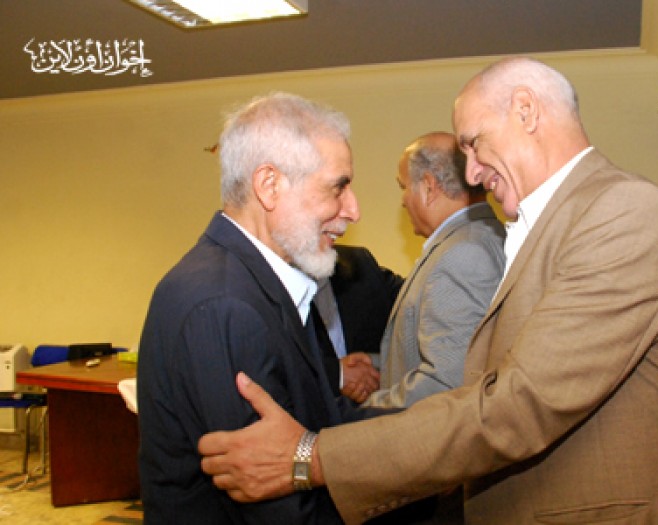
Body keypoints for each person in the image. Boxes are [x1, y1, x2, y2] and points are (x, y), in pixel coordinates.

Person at [198, 57, 658, 524]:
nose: (472, 173)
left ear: (526, 111)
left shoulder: (623, 213)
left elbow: (518, 406)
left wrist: (314, 455)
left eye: (474, 144)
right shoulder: (547, 224)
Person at [137, 92, 390, 524]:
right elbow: (275, 506)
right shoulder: (225, 305)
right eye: (338, 187)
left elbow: (321, 421)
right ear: (269, 185)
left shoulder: (266, 281)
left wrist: (436, 437)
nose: (353, 210)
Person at [364, 132, 505, 409]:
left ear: (429, 187)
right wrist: (377, 363)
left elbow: (446, 384)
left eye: (403, 186)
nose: (403, 200)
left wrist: (359, 413)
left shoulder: (462, 254)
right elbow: (458, 349)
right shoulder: (481, 237)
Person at [316, 244, 404, 403]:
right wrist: (337, 375)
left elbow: (419, 300)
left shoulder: (357, 264)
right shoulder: (268, 286)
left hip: (376, 409)